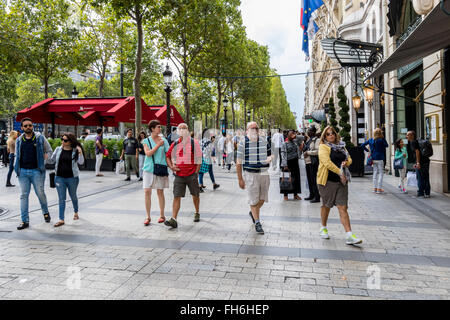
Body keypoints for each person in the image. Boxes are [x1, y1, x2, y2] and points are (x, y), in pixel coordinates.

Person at [317, 126, 362, 245]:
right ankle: (323, 227)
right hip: (327, 181)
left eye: (332, 133)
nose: (331, 135)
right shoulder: (323, 147)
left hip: (341, 182)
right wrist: (340, 172)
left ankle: (349, 235)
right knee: (326, 206)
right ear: (324, 136)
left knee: (343, 207)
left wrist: (346, 162)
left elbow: (350, 158)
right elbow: (326, 162)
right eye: (328, 134)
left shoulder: (341, 146)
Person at [15, 118, 53, 230]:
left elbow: (49, 151)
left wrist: (45, 160)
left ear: (33, 126)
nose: (28, 127)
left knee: (40, 193)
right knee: (23, 195)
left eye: (30, 125)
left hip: (37, 171)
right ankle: (24, 220)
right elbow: (17, 154)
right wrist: (15, 167)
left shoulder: (40, 137)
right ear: (22, 128)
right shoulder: (19, 140)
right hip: (22, 172)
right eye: (25, 126)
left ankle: (45, 212)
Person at [236, 121, 272, 235]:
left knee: (262, 199)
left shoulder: (264, 141)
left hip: (264, 173)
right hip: (250, 174)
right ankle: (257, 222)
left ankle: (253, 213)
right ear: (247, 130)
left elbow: (270, 155)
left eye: (256, 128)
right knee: (253, 200)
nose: (255, 130)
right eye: (252, 128)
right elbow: (238, 162)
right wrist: (240, 179)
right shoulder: (243, 142)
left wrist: (269, 159)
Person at [165, 123, 202, 228]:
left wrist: (196, 172)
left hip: (192, 175)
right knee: (176, 196)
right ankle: (174, 219)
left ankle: (197, 212)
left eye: (184, 128)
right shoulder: (175, 143)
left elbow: (199, 158)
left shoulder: (194, 143)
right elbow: (167, 156)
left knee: (195, 195)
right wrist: (172, 166)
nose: (182, 130)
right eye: (180, 128)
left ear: (188, 130)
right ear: (177, 131)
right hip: (179, 175)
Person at [48, 133, 84, 227]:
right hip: (59, 178)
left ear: (70, 141)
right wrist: (46, 157)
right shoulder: (58, 149)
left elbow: (81, 162)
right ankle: (61, 219)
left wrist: (80, 152)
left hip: (72, 178)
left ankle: (76, 212)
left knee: (73, 196)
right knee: (61, 199)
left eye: (65, 140)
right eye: (62, 139)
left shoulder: (75, 150)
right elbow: (52, 160)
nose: (62, 142)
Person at [142, 120, 170, 226]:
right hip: (148, 169)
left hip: (160, 169)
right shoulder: (146, 141)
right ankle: (148, 216)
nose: (160, 128)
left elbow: (168, 155)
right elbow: (148, 153)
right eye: (158, 127)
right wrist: (158, 145)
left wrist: (171, 166)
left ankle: (162, 215)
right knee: (147, 192)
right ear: (152, 129)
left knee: (160, 192)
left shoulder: (164, 140)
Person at [362, 128, 388, 194]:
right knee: (381, 173)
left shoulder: (371, 140)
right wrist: (383, 138)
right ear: (380, 133)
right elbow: (386, 145)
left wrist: (368, 151)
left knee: (375, 173)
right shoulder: (381, 140)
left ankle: (374, 188)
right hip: (380, 158)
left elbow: (362, 145)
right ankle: (379, 188)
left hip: (373, 158)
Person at [407, 130, 431, 198]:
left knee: (420, 177)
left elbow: (417, 152)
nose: (407, 136)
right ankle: (427, 193)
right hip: (426, 160)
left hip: (421, 162)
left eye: (408, 135)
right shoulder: (417, 141)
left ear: (412, 136)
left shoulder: (413, 142)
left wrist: (418, 163)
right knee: (426, 177)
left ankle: (420, 193)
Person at [281, 130, 302, 201]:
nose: (293, 135)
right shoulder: (285, 144)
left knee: (296, 179)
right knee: (287, 179)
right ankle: (285, 195)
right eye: (291, 134)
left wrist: (295, 135)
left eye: (293, 133)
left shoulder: (296, 142)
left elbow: (301, 138)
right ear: (287, 135)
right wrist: (285, 165)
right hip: (288, 163)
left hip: (295, 162)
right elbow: (283, 155)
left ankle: (295, 194)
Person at [303, 126, 320, 202]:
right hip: (307, 162)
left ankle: (317, 197)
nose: (308, 132)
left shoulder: (316, 140)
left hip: (313, 162)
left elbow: (317, 151)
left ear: (313, 132)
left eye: (309, 130)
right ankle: (311, 194)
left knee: (314, 180)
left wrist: (308, 152)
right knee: (309, 180)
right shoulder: (308, 140)